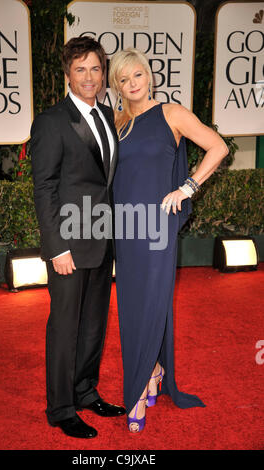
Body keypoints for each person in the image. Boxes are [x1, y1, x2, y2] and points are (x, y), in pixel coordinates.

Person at [109, 48, 229, 433]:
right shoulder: (118, 122)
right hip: (126, 228)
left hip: (157, 226)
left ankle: (142, 385)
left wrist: (188, 187)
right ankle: (155, 368)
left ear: (149, 76)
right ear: (118, 86)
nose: (132, 85)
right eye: (124, 80)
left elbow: (218, 146)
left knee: (150, 303)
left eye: (137, 75)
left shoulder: (171, 114)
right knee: (131, 306)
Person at [30, 36, 125, 439]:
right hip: (69, 245)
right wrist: (57, 248)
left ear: (103, 73)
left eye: (96, 69)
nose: (89, 77)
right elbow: (45, 188)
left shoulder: (106, 114)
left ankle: (85, 391)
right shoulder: (52, 121)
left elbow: (104, 182)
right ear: (68, 74)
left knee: (93, 326)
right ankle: (61, 407)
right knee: (65, 327)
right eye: (80, 69)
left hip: (102, 241)